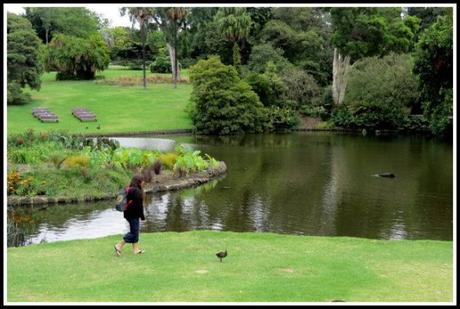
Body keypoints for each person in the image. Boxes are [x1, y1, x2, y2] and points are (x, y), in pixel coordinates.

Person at [114, 175, 146, 256]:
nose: (143, 182)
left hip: (128, 213)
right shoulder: (136, 191)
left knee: (135, 231)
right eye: (142, 181)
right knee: (134, 233)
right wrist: (142, 216)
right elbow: (139, 206)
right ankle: (119, 245)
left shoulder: (129, 189)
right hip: (133, 214)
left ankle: (136, 249)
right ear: (138, 182)